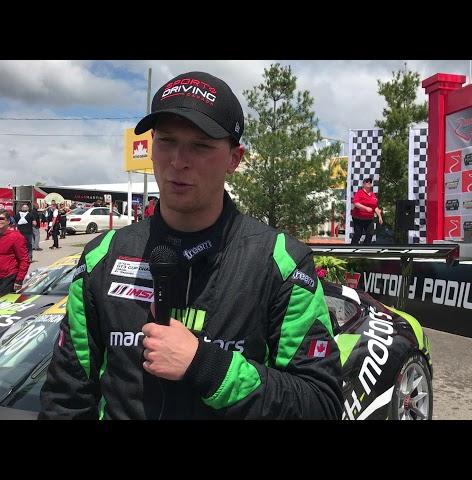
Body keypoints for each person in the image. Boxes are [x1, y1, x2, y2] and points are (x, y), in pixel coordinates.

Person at [40, 71, 343, 420]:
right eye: (167, 141)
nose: (178, 161)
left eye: (200, 145)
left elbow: (321, 403)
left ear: (234, 158)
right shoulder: (102, 256)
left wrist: (206, 366)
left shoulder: (281, 263)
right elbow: (65, 398)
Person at [351, 177, 383, 244]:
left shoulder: (373, 195)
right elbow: (355, 203)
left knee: (370, 234)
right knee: (358, 234)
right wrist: (365, 208)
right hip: (358, 218)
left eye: (370, 182)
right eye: (367, 182)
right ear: (363, 184)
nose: (369, 183)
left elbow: (375, 207)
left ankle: (365, 248)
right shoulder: (360, 193)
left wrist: (380, 216)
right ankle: (352, 248)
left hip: (369, 219)